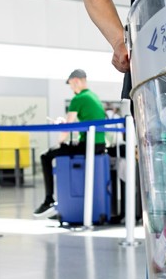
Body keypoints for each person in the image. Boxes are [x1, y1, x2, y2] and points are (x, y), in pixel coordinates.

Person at [33, 70, 109, 218]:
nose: (71, 88)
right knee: (62, 150)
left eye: (71, 85)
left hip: (88, 145)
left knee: (46, 156)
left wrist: (60, 142)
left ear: (76, 81)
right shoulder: (93, 96)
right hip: (98, 144)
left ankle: (49, 199)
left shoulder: (78, 98)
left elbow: (66, 129)